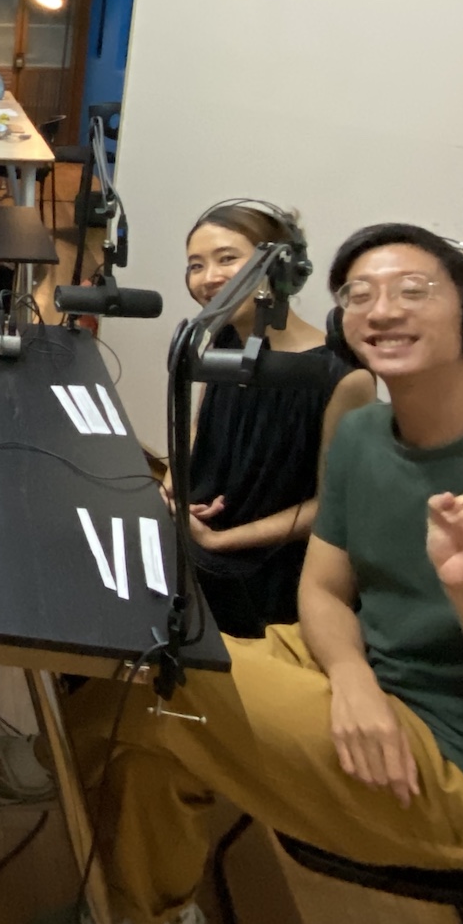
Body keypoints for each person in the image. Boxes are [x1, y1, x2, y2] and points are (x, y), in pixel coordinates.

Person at [0, 223, 463, 924]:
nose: (381, 311)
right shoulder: (372, 434)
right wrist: (354, 679)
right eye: (359, 296)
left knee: (168, 680)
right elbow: (325, 589)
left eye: (413, 291)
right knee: (161, 689)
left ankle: (43, 768)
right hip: (359, 677)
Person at [175, 201, 376, 638]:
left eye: (228, 259)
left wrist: (218, 542)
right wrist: (175, 487)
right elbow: (200, 431)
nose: (209, 278)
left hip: (265, 574)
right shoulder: (224, 340)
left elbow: (331, 509)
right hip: (197, 536)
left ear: (283, 268)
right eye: (196, 265)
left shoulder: (343, 377)